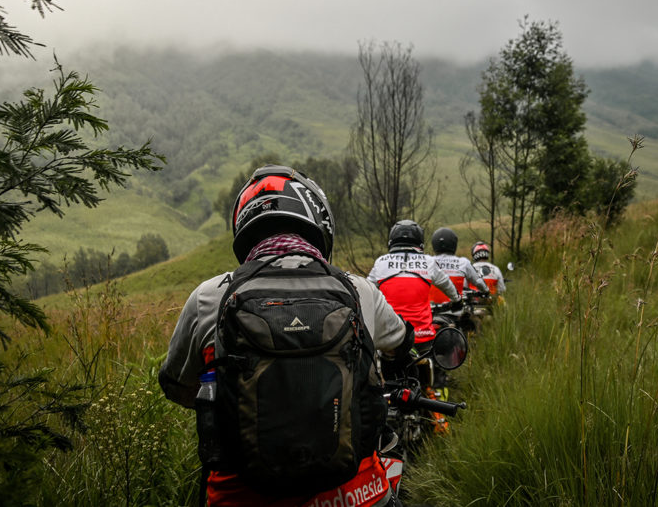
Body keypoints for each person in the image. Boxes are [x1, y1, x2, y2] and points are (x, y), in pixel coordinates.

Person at [158, 165, 413, 507]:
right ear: (319, 223)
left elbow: (177, 386)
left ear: (244, 227)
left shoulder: (208, 297)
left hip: (239, 498)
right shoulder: (361, 291)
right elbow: (399, 345)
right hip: (356, 495)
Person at [368, 220, 459, 352]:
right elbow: (447, 285)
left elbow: (365, 289)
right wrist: (457, 299)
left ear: (391, 241)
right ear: (420, 242)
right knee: (435, 362)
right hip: (422, 336)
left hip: (389, 337)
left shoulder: (381, 262)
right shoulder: (429, 262)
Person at [428, 227, 489, 303]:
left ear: (434, 244)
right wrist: (486, 290)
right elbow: (478, 281)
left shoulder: (428, 261)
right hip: (456, 309)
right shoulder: (463, 262)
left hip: (432, 310)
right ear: (453, 244)